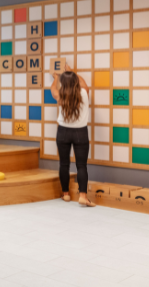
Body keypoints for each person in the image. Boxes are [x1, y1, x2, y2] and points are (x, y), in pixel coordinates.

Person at [51, 63, 94, 207]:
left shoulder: (61, 94)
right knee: (81, 165)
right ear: (75, 81)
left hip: (63, 131)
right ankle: (83, 196)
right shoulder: (83, 93)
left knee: (64, 164)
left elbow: (53, 90)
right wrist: (72, 72)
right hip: (80, 132)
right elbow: (84, 84)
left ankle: (66, 194)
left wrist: (55, 78)